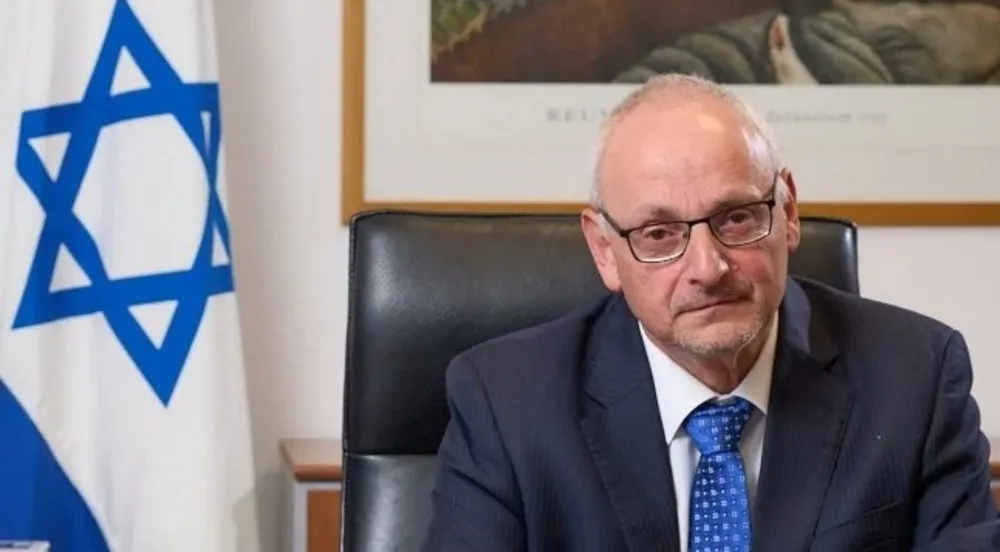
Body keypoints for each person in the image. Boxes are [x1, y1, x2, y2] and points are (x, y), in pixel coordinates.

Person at [420, 73, 1000, 551]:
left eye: (737, 218)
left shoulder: (916, 377)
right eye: (659, 233)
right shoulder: (507, 403)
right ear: (605, 251)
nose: (708, 267)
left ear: (788, 213)